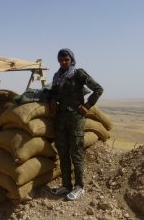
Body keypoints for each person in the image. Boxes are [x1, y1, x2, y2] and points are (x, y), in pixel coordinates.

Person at [49, 48, 103, 201]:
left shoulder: (78, 73)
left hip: (75, 120)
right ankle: (66, 185)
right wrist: (53, 100)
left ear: (72, 59)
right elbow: (54, 92)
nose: (63, 62)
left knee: (76, 154)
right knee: (63, 153)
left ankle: (79, 186)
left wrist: (87, 106)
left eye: (66, 59)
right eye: (61, 60)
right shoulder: (57, 76)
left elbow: (98, 89)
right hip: (61, 120)